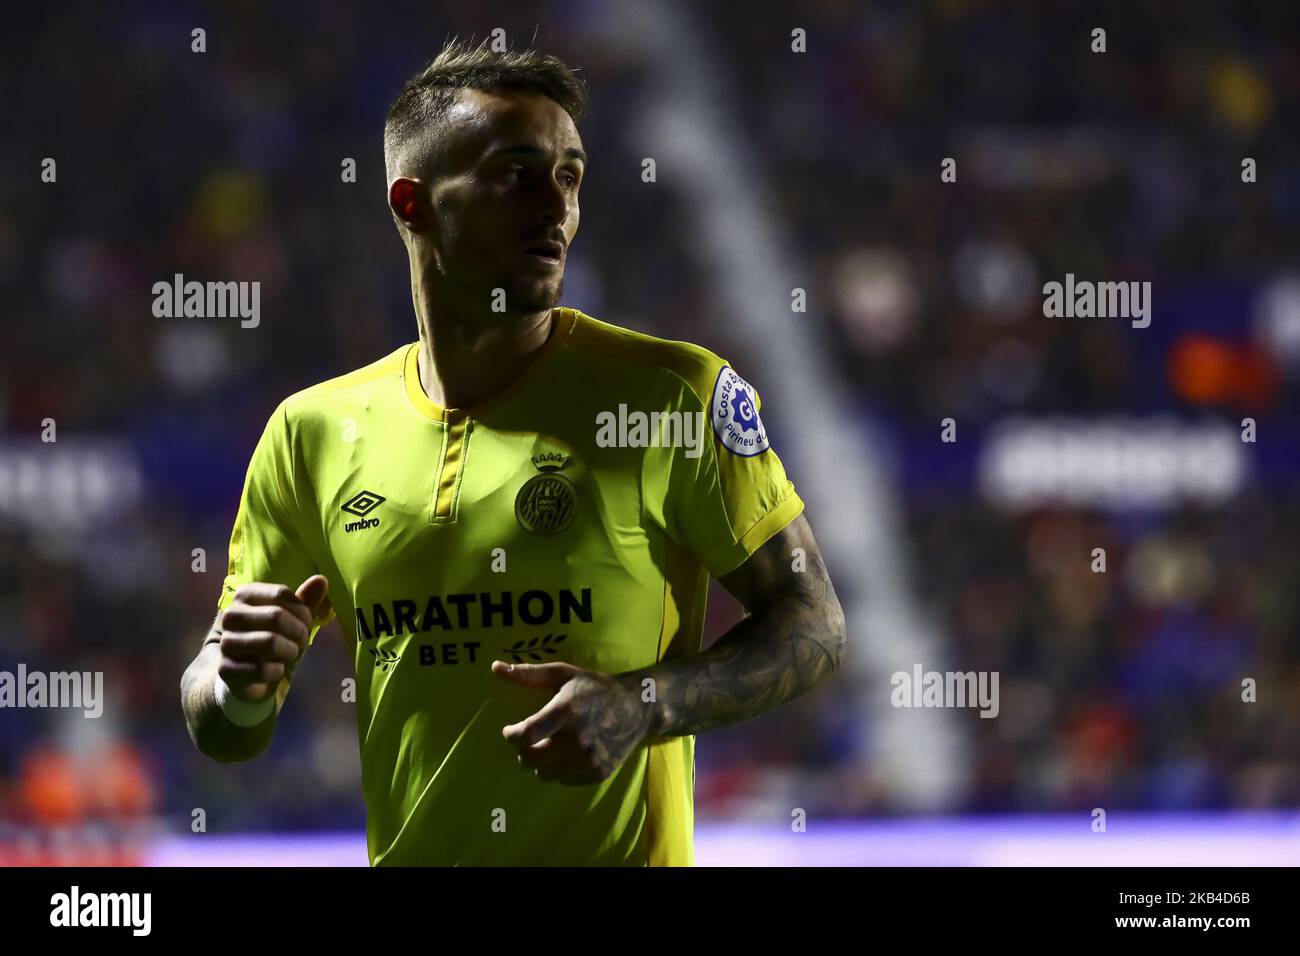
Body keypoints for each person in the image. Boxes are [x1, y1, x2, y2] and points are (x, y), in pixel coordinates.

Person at [180, 38, 845, 865]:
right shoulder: (312, 432)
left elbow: (813, 623)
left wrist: (646, 702)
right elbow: (222, 724)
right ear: (412, 203)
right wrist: (239, 686)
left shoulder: (669, 395)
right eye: (516, 173)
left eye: (569, 175)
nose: (555, 206)